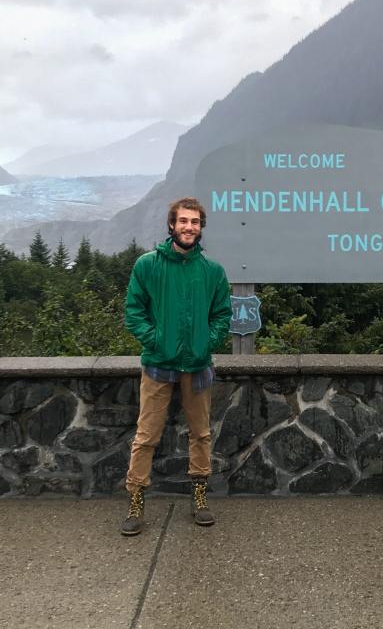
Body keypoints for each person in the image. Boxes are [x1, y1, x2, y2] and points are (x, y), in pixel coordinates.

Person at [120, 196, 231, 536]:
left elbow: (222, 315)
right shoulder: (148, 265)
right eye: (183, 221)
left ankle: (199, 498)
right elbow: (133, 312)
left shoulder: (212, 272)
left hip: (197, 366)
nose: (189, 227)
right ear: (171, 225)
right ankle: (136, 501)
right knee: (146, 436)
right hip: (158, 365)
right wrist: (155, 340)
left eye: (195, 222)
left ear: (201, 227)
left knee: (201, 433)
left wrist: (206, 342)